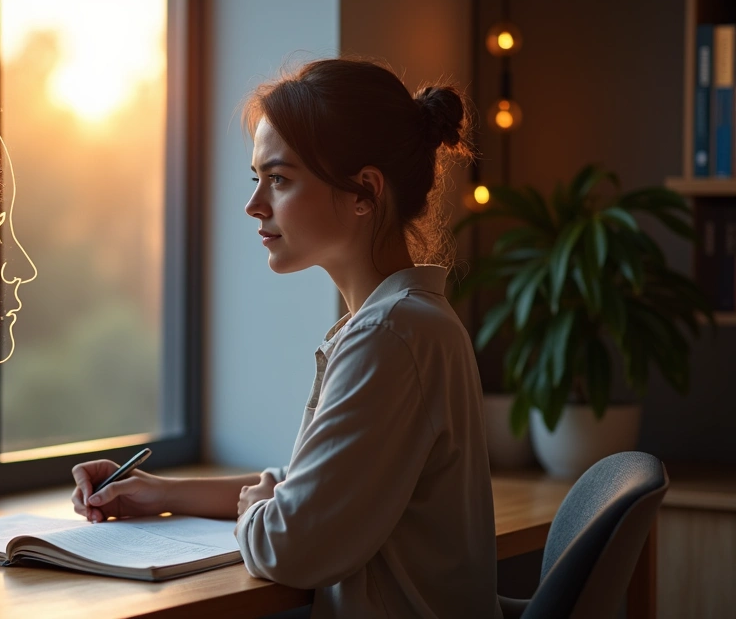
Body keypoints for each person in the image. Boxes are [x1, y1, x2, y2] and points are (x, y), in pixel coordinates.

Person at [70, 58, 499, 618]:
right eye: (257, 179)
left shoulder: (390, 335)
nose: (254, 205)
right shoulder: (405, 322)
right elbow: (308, 489)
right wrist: (162, 491)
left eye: (279, 179)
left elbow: (289, 546)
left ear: (364, 191)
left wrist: (257, 510)